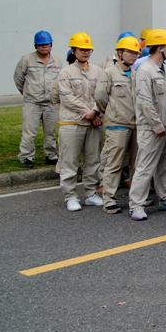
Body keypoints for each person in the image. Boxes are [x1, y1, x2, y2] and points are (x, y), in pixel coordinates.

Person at [130, 29, 166, 220]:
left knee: (165, 165)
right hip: (152, 128)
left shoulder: (165, 70)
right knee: (145, 166)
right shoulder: (145, 70)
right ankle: (136, 204)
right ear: (160, 48)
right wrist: (156, 124)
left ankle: (165, 198)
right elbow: (145, 101)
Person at [52, 32, 104, 211]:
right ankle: (70, 196)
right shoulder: (65, 73)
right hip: (72, 124)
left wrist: (95, 112)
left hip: (93, 123)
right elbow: (66, 97)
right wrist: (88, 112)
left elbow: (102, 94)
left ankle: (91, 193)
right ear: (73, 50)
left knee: (93, 161)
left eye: (88, 50)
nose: (86, 53)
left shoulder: (98, 71)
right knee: (69, 161)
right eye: (82, 50)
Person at [94, 35, 140, 214]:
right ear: (119, 53)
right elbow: (100, 99)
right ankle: (109, 199)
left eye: (136, 53)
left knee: (136, 164)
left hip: (135, 124)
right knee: (114, 163)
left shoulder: (136, 74)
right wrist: (112, 114)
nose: (133, 56)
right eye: (129, 52)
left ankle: (135, 199)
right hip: (117, 124)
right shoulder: (109, 73)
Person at [14, 30, 61, 169]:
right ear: (36, 46)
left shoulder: (57, 60)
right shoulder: (26, 59)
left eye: (46, 44)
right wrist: (28, 93)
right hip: (32, 103)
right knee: (29, 133)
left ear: (51, 45)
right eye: (40, 45)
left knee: (50, 132)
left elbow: (59, 81)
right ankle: (26, 157)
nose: (44, 47)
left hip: (50, 104)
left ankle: (51, 155)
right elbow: (18, 79)